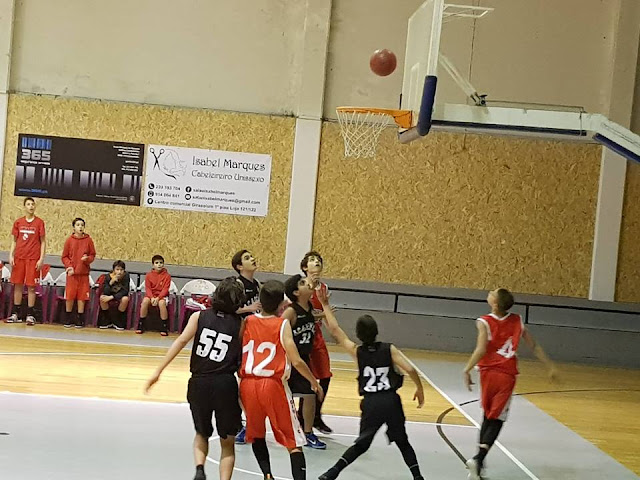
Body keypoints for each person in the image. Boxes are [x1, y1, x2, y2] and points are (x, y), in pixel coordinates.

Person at [317, 290, 426, 480]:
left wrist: (325, 305)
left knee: (361, 444)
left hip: (371, 402)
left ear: (358, 334)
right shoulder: (389, 349)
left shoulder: (357, 351)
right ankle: (418, 477)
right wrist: (419, 388)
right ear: (376, 331)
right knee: (403, 442)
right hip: (391, 400)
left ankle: (331, 473)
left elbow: (335, 331)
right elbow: (410, 369)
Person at [145, 277, 246, 480]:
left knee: (201, 433)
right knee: (227, 443)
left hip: (198, 382)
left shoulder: (199, 316)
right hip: (225, 384)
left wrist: (158, 371)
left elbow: (181, 341)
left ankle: (200, 469)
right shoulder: (240, 324)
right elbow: (242, 361)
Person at [463, 288, 557, 480]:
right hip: (506, 375)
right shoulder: (517, 321)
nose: (489, 292)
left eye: (492, 293)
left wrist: (467, 369)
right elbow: (534, 346)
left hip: (487, 374)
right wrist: (550, 366)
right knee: (498, 419)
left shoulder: (483, 322)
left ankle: (478, 465)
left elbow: (481, 349)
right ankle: (478, 458)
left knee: (488, 415)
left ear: (495, 304)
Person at [239, 280, 323, 480]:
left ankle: (267, 475)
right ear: (281, 304)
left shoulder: (248, 321)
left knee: (257, 434)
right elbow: (296, 360)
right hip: (272, 384)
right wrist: (314, 381)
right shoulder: (282, 324)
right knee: (294, 442)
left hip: (247, 385)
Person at [282, 275, 326, 449]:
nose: (307, 284)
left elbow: (312, 319)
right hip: (289, 360)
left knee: (309, 395)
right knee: (280, 398)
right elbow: (278, 331)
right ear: (296, 292)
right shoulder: (290, 312)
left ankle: (308, 433)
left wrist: (324, 313)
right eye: (302, 283)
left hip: (304, 359)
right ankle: (251, 426)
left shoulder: (309, 308)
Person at [299, 251, 333, 433]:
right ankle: (302, 416)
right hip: (303, 335)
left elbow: (325, 315)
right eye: (312, 260)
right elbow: (300, 313)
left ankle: (316, 415)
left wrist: (329, 322)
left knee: (325, 376)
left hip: (317, 336)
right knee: (306, 378)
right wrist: (321, 315)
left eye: (318, 260)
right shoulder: (300, 285)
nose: (316, 262)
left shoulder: (324, 288)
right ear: (305, 267)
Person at [231, 249, 261, 444]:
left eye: (252, 256)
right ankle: (244, 421)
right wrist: (249, 308)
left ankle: (251, 420)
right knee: (241, 380)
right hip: (239, 335)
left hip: (254, 336)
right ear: (239, 266)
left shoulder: (256, 284)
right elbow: (230, 308)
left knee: (251, 380)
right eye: (248, 258)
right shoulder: (238, 284)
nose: (253, 259)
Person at [6, 197, 46, 325]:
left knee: (31, 287)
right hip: (19, 257)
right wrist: (11, 255)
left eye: (32, 204)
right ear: (24, 207)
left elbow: (43, 242)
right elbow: (14, 241)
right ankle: (15, 313)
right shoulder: (18, 222)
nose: (31, 206)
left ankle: (30, 315)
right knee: (17, 285)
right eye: (28, 204)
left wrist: (41, 258)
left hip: (33, 259)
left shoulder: (39, 223)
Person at [61, 217, 95, 328]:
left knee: (82, 297)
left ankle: (79, 319)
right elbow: (64, 256)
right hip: (72, 274)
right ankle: (68, 318)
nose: (80, 227)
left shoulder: (88, 240)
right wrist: (69, 266)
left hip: (83, 274)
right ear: (74, 227)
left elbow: (92, 255)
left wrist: (87, 259)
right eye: (78, 225)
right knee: (70, 296)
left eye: (82, 225)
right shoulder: (69, 240)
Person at [136, 254, 171, 336]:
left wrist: (158, 298)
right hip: (151, 296)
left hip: (162, 296)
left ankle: (164, 325)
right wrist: (151, 298)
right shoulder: (148, 275)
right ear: (153, 265)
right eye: (157, 263)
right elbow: (148, 288)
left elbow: (165, 289)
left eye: (161, 263)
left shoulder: (167, 276)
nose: (159, 265)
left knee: (162, 304)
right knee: (145, 302)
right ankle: (141, 324)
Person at [98, 260, 131, 330]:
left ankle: (118, 320)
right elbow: (106, 291)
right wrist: (111, 283)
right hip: (110, 294)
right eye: (117, 269)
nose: (119, 272)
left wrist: (112, 297)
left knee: (125, 299)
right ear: (113, 270)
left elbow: (125, 291)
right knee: (102, 298)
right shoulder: (108, 276)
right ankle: (106, 319)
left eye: (121, 270)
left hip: (119, 296)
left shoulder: (126, 276)